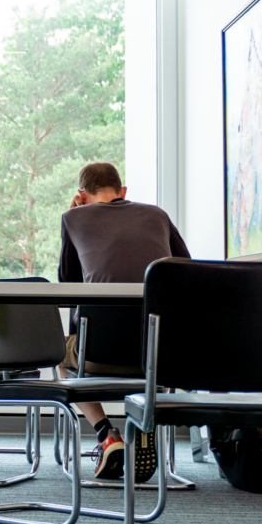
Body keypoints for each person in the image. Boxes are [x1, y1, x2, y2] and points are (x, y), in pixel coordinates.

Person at [58, 162, 191, 481]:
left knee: (58, 353)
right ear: (123, 192)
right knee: (153, 330)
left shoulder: (73, 217)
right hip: (159, 356)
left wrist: (74, 215)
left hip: (97, 353)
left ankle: (107, 435)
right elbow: (186, 270)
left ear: (81, 196)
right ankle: (144, 415)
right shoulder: (157, 215)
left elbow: (68, 287)